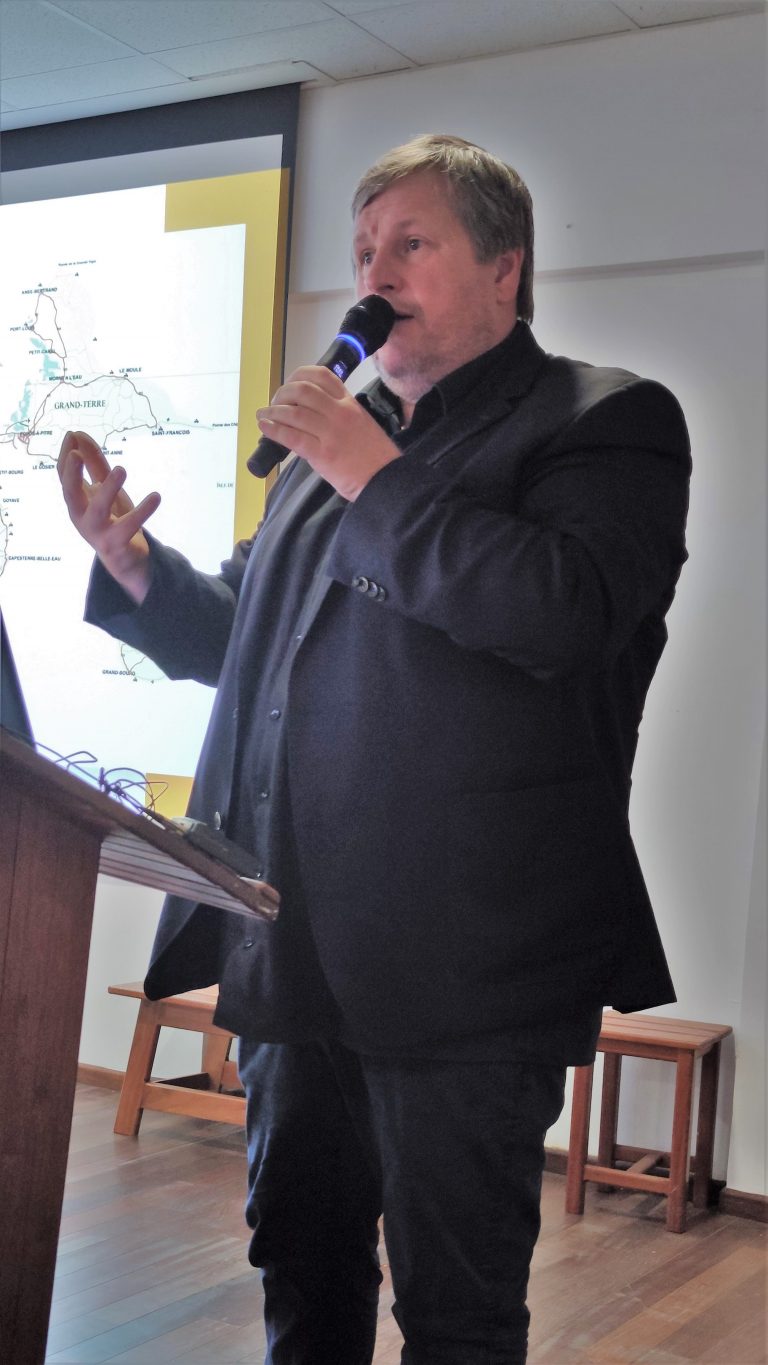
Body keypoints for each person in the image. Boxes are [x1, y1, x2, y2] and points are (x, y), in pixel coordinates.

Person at [58, 133, 691, 1364]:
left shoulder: (605, 420)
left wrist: (376, 477)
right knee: (300, 1267)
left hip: (472, 968)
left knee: (457, 1313)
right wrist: (134, 570)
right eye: (362, 251)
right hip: (289, 943)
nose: (375, 274)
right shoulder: (327, 460)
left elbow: (564, 616)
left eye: (410, 244)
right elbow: (244, 637)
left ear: (504, 267)